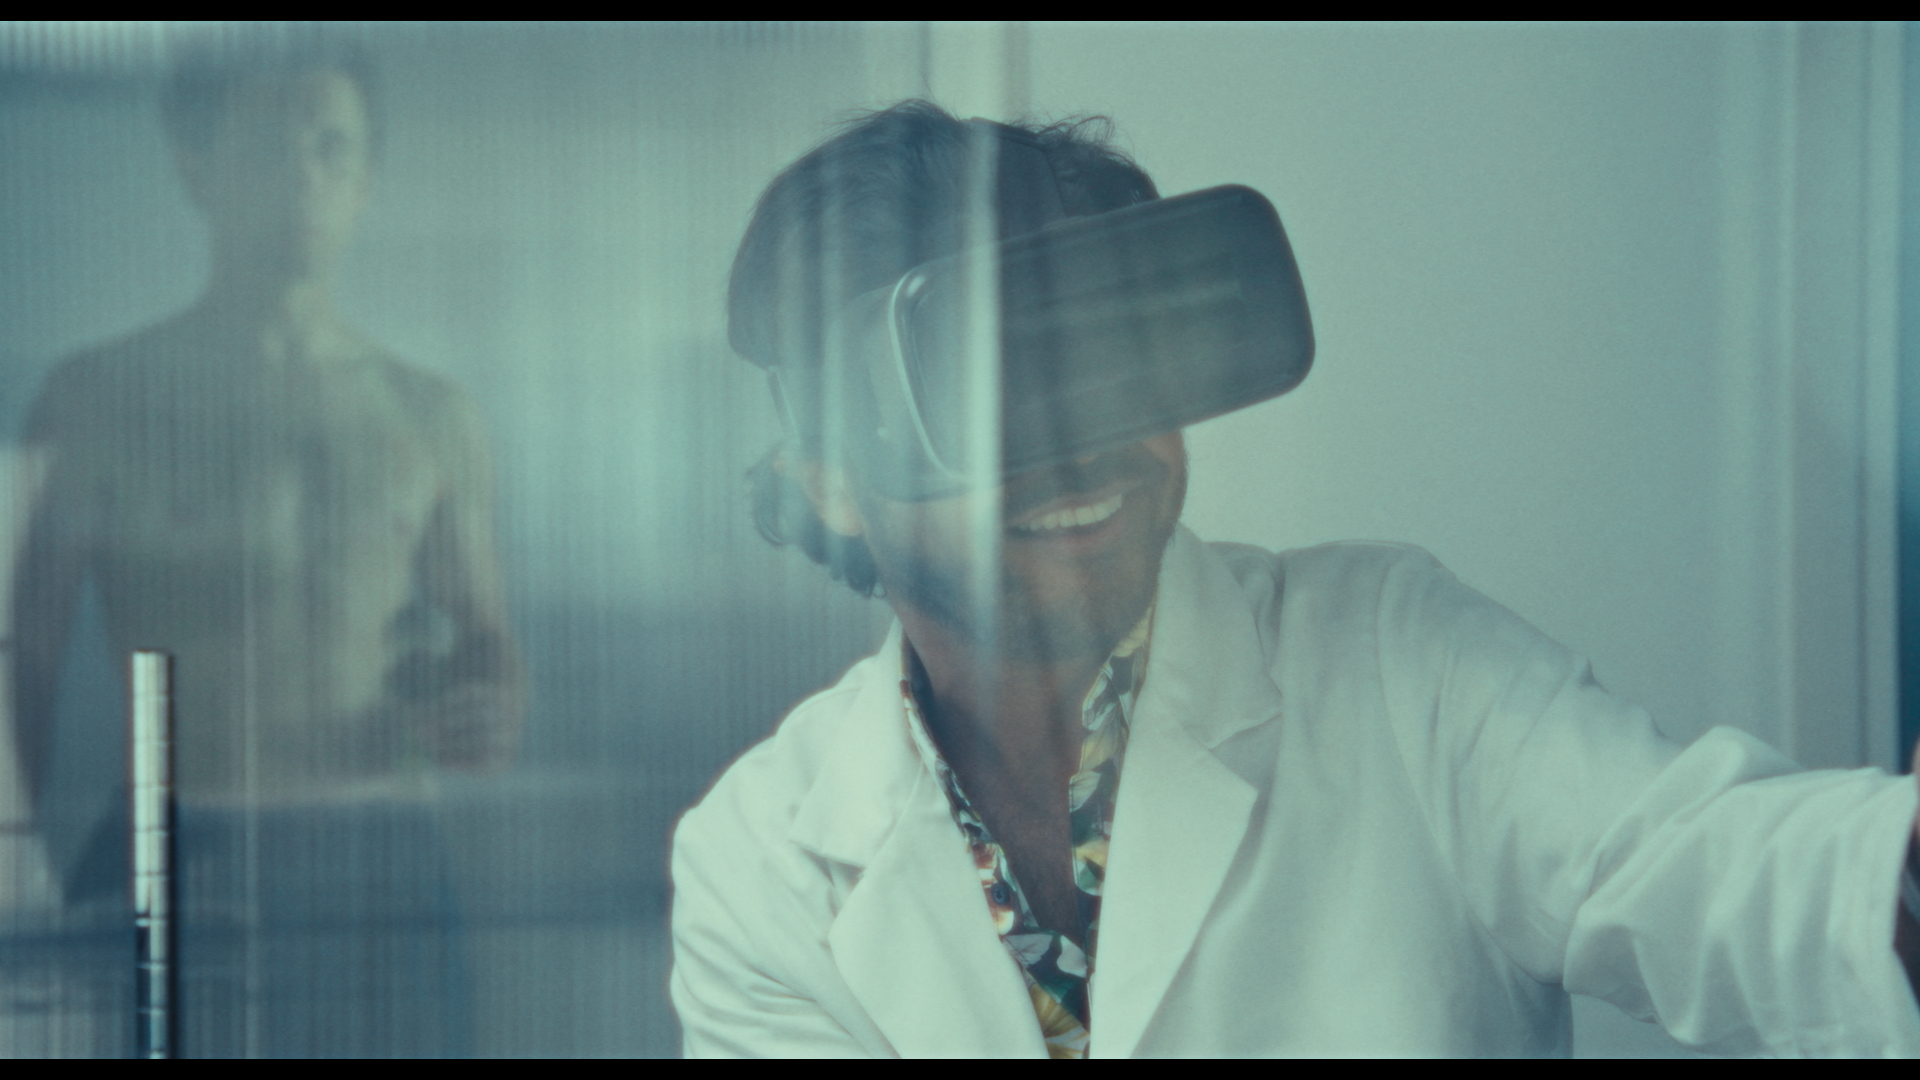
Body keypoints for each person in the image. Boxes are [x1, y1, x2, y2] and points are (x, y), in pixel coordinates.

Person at [668, 101, 1920, 1057]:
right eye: (989, 389)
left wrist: (1901, 866)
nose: (1086, 446)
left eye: (1115, 352)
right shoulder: (762, 863)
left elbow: (1726, 873)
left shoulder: (1397, 660)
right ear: (833, 481)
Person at [9, 42, 523, 1056]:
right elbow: (20, 660)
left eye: (331, 148)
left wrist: (488, 704)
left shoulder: (430, 413)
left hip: (381, 855)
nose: (302, 175)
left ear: (366, 181)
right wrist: (9, 858)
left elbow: (485, 634)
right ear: (196, 166)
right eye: (267, 147)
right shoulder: (96, 400)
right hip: (176, 844)